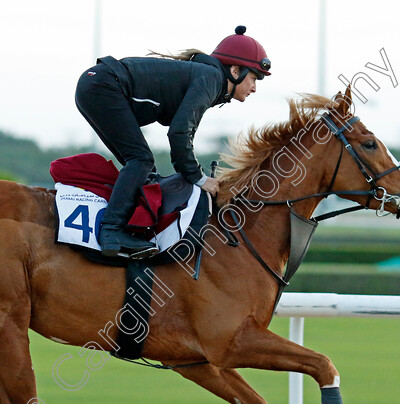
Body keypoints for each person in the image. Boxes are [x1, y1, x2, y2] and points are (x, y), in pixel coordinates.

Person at [75, 25, 271, 259]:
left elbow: (181, 133)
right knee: (141, 161)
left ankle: (132, 229)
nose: (254, 88)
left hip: (96, 83)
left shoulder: (206, 78)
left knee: (144, 169)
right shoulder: (211, 78)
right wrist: (199, 178)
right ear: (236, 70)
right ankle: (111, 231)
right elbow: (179, 134)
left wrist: (188, 173)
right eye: (253, 78)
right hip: (103, 85)